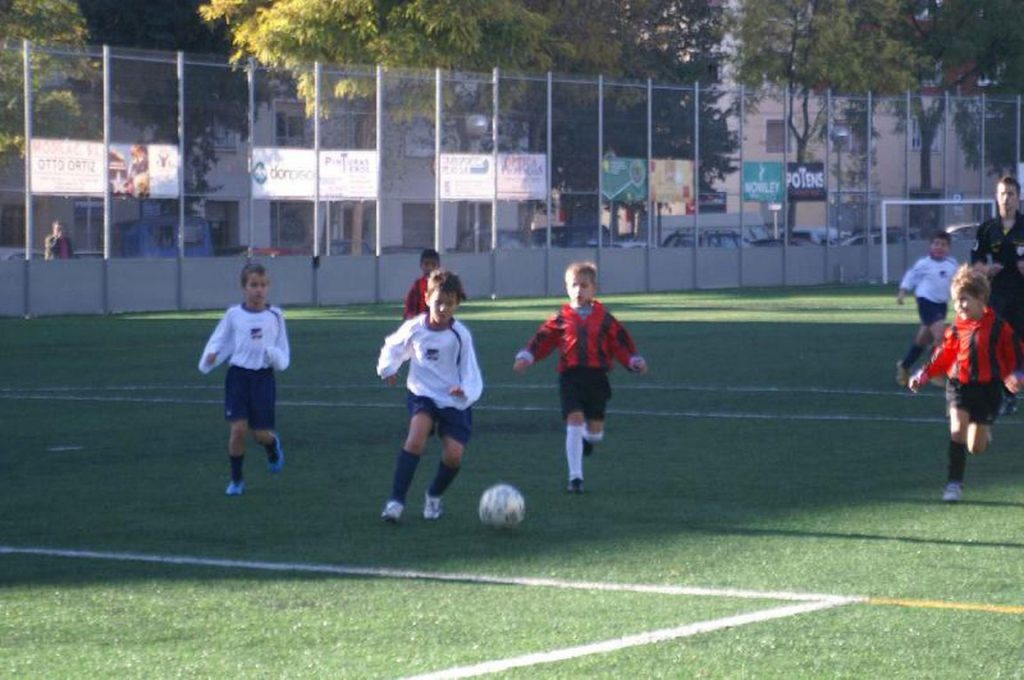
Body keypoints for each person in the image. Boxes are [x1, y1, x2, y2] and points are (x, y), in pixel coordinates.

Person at [512, 261, 648, 493]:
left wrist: (633, 360)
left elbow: (620, 342)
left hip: (597, 378)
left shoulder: (605, 318)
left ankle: (587, 439)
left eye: (584, 286)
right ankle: (575, 478)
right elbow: (542, 339)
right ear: (567, 288)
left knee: (595, 434)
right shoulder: (561, 317)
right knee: (574, 420)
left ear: (594, 289)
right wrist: (527, 356)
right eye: (574, 285)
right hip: (570, 377)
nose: (578, 290)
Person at [908, 265, 1024, 503]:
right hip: (959, 386)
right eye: (955, 301)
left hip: (988, 390)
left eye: (963, 300)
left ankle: (984, 431)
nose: (959, 306)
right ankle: (954, 484)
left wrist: (1017, 375)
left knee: (975, 448)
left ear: (981, 298)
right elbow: (943, 356)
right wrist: (924, 375)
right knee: (957, 431)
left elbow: (1016, 354)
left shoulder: (1000, 328)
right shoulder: (956, 329)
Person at [377, 268, 483, 522]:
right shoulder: (415, 327)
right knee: (415, 440)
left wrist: (465, 390)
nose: (443, 309)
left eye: (450, 304)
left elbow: (470, 370)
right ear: (427, 298)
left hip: (453, 400)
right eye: (438, 302)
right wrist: (389, 368)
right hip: (422, 393)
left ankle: (433, 495)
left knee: (454, 456)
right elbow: (393, 346)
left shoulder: (460, 335)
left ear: (457, 304)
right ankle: (395, 502)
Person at [198, 263, 290, 496]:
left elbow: (283, 349)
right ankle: (236, 481)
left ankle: (272, 444)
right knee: (238, 430)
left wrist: (277, 358)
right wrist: (212, 355)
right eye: (253, 285)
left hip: (263, 379)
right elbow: (220, 339)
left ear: (268, 287)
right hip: (238, 377)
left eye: (263, 285)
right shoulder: (234, 315)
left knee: (259, 434)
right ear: (244, 288)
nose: (259, 290)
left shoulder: (275, 316)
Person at [970, 175, 1024, 413]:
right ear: (996, 196)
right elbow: (976, 260)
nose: (1006, 198)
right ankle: (1005, 395)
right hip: (998, 295)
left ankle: (1012, 388)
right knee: (995, 344)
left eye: (1010, 193)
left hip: (1022, 296)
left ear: (1018, 197)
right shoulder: (987, 229)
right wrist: (984, 269)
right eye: (1002, 193)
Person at [895, 230, 957, 386]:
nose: (939, 247)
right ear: (930, 246)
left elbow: (959, 280)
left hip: (941, 305)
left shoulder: (952, 264)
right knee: (940, 335)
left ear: (948, 248)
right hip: (926, 302)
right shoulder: (924, 264)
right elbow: (910, 276)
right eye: (936, 244)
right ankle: (934, 371)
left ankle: (904, 366)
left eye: (943, 244)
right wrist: (902, 292)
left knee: (923, 339)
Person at [403, 248, 440, 319]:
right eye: (426, 264)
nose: (430, 268)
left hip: (437, 320)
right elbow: (409, 303)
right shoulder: (417, 284)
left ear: (438, 266)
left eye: (433, 264)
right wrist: (409, 315)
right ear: (421, 265)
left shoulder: (441, 284)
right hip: (420, 321)